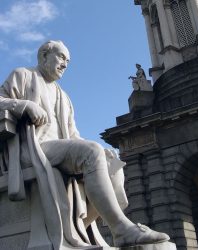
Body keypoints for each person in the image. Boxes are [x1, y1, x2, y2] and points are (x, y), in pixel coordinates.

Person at [0, 40, 169, 249]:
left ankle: (84, 225)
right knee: (92, 152)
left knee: (113, 165)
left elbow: (73, 136)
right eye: (61, 57)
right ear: (44, 55)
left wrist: (102, 153)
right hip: (34, 148)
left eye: (68, 61)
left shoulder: (64, 97)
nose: (65, 64)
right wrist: (23, 104)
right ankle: (120, 229)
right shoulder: (22, 75)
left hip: (59, 150)